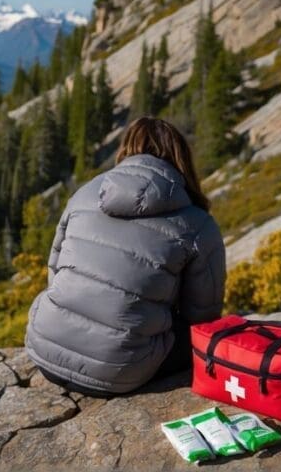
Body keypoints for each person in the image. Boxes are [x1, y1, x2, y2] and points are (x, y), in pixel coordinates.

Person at [25, 116, 226, 396]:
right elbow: (202, 315)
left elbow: (55, 269)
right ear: (181, 159)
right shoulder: (197, 223)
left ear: (126, 149)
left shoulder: (86, 193)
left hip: (45, 350)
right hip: (120, 371)